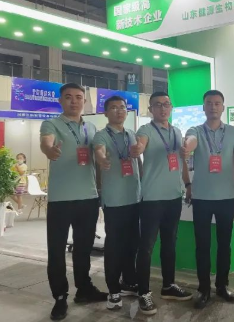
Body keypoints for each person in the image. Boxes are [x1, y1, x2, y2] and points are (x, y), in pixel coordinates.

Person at [39, 83, 107, 321]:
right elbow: (46, 142)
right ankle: (60, 297)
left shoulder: (91, 127)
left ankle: (84, 289)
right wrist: (50, 151)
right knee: (57, 251)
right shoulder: (52, 124)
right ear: (61, 101)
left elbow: (97, 156)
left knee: (83, 249)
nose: (74, 101)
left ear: (84, 102)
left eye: (78, 97)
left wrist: (100, 185)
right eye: (68, 97)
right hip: (61, 199)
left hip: (88, 198)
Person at [133, 92, 193, 315]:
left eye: (166, 104)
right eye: (158, 105)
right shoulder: (145, 130)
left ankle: (168, 285)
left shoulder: (176, 132)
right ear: (151, 109)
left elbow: (181, 160)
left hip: (173, 197)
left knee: (169, 243)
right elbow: (140, 144)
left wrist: (187, 184)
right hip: (152, 198)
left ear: (171, 107)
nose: (163, 108)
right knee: (147, 247)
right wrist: (138, 149)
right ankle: (143, 292)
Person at [181, 90, 234, 309]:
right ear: (203, 107)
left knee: (225, 244)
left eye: (217, 103)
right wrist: (187, 147)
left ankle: (222, 286)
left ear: (223, 107)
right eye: (209, 103)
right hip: (202, 198)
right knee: (202, 245)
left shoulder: (233, 132)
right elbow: (191, 141)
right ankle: (204, 289)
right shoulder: (195, 130)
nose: (213, 107)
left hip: (226, 197)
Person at [92, 96, 141, 311]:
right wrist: (102, 159)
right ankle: (113, 289)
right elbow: (99, 150)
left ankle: (128, 281)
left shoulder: (131, 134)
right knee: (114, 246)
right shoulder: (101, 135)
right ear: (105, 113)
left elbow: (137, 161)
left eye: (122, 107)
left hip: (135, 198)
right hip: (115, 201)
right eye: (113, 108)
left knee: (132, 244)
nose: (119, 111)